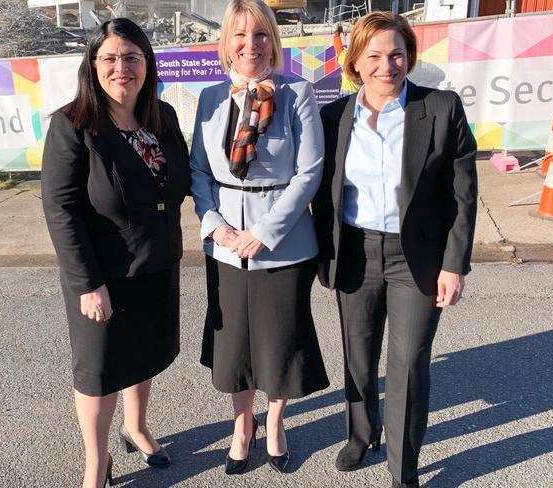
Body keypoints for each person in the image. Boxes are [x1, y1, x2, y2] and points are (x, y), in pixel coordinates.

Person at [312, 12, 478, 488]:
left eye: (397, 53)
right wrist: (327, 254)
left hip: (417, 258)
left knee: (407, 364)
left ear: (409, 55)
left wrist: (453, 265)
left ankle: (403, 467)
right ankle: (361, 433)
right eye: (375, 56)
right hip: (356, 252)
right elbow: (322, 192)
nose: (388, 65)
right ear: (356, 63)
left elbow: (462, 195)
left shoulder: (441, 108)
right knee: (358, 355)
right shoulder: (334, 116)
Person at [41, 18, 190, 488]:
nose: (120, 67)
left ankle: (137, 427)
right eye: (109, 58)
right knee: (98, 371)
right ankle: (95, 461)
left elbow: (183, 183)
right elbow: (60, 208)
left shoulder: (162, 118)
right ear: (93, 65)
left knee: (143, 356)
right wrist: (88, 283)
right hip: (100, 275)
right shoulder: (73, 125)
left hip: (156, 263)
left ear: (146, 63)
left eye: (131, 57)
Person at [190, 0, 329, 476]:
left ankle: (275, 421)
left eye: (261, 35)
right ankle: (241, 425)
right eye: (241, 35)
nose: (251, 45)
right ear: (226, 42)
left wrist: (264, 233)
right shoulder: (209, 97)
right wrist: (216, 226)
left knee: (279, 340)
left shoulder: (298, 93)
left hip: (284, 243)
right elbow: (199, 171)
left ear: (274, 39)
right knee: (235, 346)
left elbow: (309, 172)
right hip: (226, 245)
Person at [333, 23, 359, 97]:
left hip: (346, 99)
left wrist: (337, 33)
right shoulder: (364, 60)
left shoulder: (345, 59)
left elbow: (338, 46)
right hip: (360, 98)